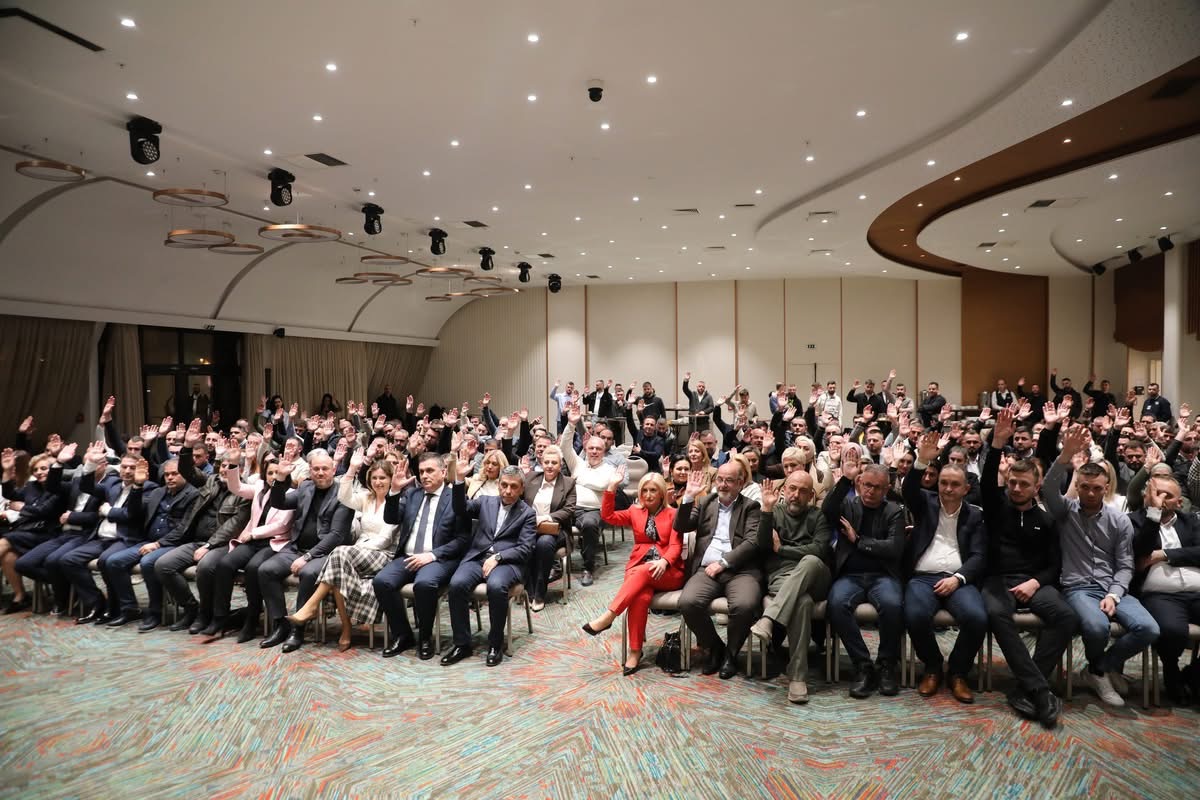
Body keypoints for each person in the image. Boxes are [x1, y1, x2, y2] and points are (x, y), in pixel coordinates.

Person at [1044, 425, 1160, 706]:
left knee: (1149, 629)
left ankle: (1097, 669)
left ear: (1106, 488)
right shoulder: (1065, 512)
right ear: (1077, 486)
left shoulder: (1119, 520)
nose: (1090, 493)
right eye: (1085, 487)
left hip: (1113, 587)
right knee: (1097, 627)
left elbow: (1125, 564)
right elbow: (1048, 488)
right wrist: (1065, 457)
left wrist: (1114, 595)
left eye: (1097, 488)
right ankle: (1102, 672)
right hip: (1078, 588)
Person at [980, 408, 1076, 727]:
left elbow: (1054, 565)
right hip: (998, 579)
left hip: (1034, 581)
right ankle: (1039, 689)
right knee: (996, 614)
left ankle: (1026, 686)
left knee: (1065, 616)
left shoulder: (1047, 519)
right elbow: (987, 480)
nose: (1016, 489)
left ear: (1036, 488)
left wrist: (1035, 582)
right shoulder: (996, 508)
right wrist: (997, 443)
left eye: (1023, 484)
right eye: (1012, 483)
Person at [902, 431, 988, 704]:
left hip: (958, 579)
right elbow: (908, 490)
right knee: (914, 615)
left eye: (954, 484)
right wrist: (921, 461)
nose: (948, 489)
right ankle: (933, 666)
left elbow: (979, 556)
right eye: (943, 483)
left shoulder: (975, 515)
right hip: (922, 578)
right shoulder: (925, 504)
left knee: (977, 617)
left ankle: (958, 672)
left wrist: (958, 578)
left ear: (966, 489)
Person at [287, 450, 402, 651]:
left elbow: (384, 540)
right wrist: (351, 469)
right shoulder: (367, 498)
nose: (378, 482)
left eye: (383, 478)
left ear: (391, 479)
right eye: (374, 478)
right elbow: (344, 496)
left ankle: (311, 606)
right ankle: (345, 628)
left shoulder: (397, 502)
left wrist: (353, 550)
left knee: (340, 554)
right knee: (338, 570)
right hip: (359, 554)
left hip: (384, 555)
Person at [150, 427, 251, 636]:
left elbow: (234, 525)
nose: (225, 470)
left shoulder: (246, 492)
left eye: (231, 466)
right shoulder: (211, 480)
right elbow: (187, 471)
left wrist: (209, 546)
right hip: (196, 541)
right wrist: (187, 447)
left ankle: (207, 615)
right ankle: (191, 607)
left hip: (224, 545)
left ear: (240, 470)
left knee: (205, 567)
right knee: (163, 565)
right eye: (223, 465)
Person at [583, 467, 684, 674]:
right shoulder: (635, 511)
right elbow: (607, 516)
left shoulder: (673, 514)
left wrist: (664, 561)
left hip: (669, 571)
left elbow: (675, 546)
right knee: (640, 597)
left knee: (643, 571)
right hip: (639, 570)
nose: (648, 495)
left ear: (662, 493)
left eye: (653, 490)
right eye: (644, 490)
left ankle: (609, 616)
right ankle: (635, 651)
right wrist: (612, 486)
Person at [822, 449, 906, 698]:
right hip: (851, 575)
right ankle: (863, 665)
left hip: (883, 575)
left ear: (886, 489)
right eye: (867, 485)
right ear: (859, 484)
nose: (871, 491)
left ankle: (887, 665)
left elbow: (894, 549)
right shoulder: (848, 505)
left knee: (892, 605)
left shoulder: (894, 511)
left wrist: (858, 540)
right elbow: (827, 509)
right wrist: (845, 479)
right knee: (836, 605)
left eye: (877, 488)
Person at [749, 471, 832, 704]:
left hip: (816, 577)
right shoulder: (774, 513)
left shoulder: (818, 516)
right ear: (784, 490)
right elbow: (762, 546)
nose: (796, 494)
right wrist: (766, 510)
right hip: (782, 576)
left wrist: (782, 550)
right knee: (802, 602)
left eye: (803, 491)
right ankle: (797, 677)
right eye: (792, 488)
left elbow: (819, 550)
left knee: (810, 560)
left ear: (811, 495)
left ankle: (769, 618)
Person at [676, 461, 762, 679]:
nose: (722, 485)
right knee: (688, 602)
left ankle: (731, 655)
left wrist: (724, 562)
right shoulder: (706, 501)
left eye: (729, 481)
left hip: (740, 570)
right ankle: (715, 647)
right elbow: (681, 526)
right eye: (719, 479)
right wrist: (688, 497)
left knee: (744, 606)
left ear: (740, 483)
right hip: (706, 569)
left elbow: (752, 542)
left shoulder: (751, 507)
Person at [261, 450, 354, 652]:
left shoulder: (343, 494)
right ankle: (281, 624)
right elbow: (278, 503)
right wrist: (281, 478)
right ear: (310, 470)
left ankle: (298, 628)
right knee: (266, 570)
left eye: (325, 469)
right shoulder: (305, 487)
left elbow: (336, 536)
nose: (320, 473)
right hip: (296, 548)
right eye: (316, 469)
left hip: (326, 553)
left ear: (334, 470)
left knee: (309, 573)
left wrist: (308, 556)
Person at [443, 465, 535, 667]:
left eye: (513, 486)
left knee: (496, 586)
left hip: (507, 563)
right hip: (478, 557)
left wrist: (499, 557)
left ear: (521, 489)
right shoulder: (485, 501)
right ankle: (462, 644)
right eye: (504, 485)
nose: (508, 491)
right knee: (457, 584)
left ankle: (495, 644)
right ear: (498, 485)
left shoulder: (527, 513)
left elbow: (526, 548)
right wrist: (459, 480)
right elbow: (460, 509)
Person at [373, 452, 460, 660]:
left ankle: (425, 637)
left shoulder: (455, 498)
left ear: (443, 472)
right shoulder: (413, 495)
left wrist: (432, 555)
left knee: (424, 584)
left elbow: (462, 540)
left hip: (438, 559)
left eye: (430, 471)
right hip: (408, 556)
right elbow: (391, 518)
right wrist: (394, 490)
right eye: (421, 472)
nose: (424, 476)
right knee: (382, 581)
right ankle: (403, 635)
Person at [98, 457, 199, 628]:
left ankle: (155, 612)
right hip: (148, 541)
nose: (170, 478)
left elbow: (185, 528)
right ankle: (129, 608)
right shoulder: (158, 492)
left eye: (175, 474)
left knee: (147, 562)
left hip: (174, 544)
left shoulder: (194, 494)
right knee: (114, 561)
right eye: (167, 474)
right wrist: (137, 486)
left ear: (185, 475)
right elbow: (134, 511)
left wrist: (158, 544)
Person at [1131, 475, 1200, 705]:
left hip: (1197, 591)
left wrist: (1164, 555)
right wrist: (1153, 514)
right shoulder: (1133, 521)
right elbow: (1140, 551)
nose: (1159, 499)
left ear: (1179, 502)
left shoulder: (1191, 521)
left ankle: (1194, 672)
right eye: (1155, 493)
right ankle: (1171, 670)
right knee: (1171, 630)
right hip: (1160, 595)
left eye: (1166, 495)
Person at [62, 447, 149, 623]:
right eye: (124, 467)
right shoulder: (113, 484)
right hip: (101, 538)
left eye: (132, 468)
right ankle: (97, 603)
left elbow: (131, 514)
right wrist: (90, 464)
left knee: (106, 561)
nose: (127, 471)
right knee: (69, 560)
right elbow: (86, 486)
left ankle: (125, 607)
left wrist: (109, 511)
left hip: (125, 539)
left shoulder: (148, 488)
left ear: (140, 469)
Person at [216, 454, 294, 644]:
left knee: (253, 568)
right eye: (270, 473)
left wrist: (254, 533)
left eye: (277, 472)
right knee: (225, 564)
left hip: (273, 542)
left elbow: (281, 525)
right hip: (252, 541)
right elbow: (236, 488)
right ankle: (220, 617)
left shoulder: (291, 493)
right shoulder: (260, 488)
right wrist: (234, 464)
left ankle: (251, 618)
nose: (273, 476)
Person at [1, 450, 67, 613]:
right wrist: (7, 471)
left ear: (53, 470)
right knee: (9, 557)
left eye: (44, 468)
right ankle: (20, 596)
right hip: (28, 532)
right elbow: (10, 494)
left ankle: (64, 582)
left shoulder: (60, 487)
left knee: (4, 541)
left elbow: (44, 511)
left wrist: (23, 507)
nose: (39, 472)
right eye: (36, 470)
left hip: (48, 535)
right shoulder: (32, 486)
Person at [559, 408, 617, 587]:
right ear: (585, 448)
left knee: (590, 524)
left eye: (598, 449)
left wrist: (577, 480)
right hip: (570, 509)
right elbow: (565, 446)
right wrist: (571, 424)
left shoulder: (609, 469)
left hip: (592, 511)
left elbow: (602, 484)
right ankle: (553, 564)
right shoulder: (578, 464)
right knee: (548, 519)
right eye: (591, 448)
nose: (594, 451)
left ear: (604, 451)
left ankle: (588, 568)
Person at [525, 445, 576, 611]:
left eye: (554, 463)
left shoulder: (568, 483)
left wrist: (546, 518)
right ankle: (529, 590)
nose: (549, 466)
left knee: (544, 543)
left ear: (560, 465)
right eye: (546, 462)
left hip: (557, 530)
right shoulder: (530, 478)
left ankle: (540, 593)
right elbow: (520, 502)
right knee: (527, 543)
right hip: (531, 529)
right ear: (541, 463)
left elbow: (569, 510)